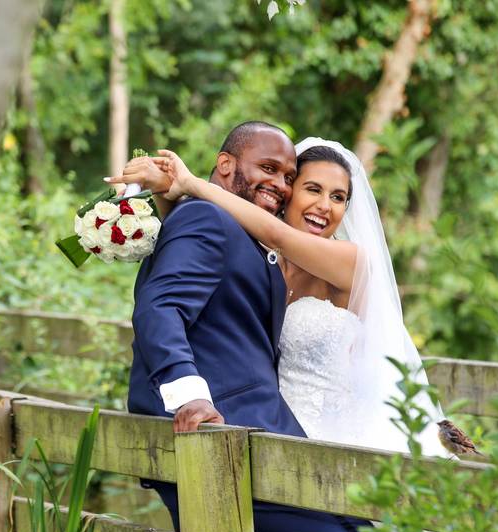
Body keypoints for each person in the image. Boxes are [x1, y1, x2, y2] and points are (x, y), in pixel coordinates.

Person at [118, 122, 381, 532]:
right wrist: (189, 396)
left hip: (253, 430)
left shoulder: (258, 241)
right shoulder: (208, 219)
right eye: (271, 170)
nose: (281, 184)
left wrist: (178, 190)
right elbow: (161, 306)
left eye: (288, 175)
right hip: (220, 428)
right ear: (224, 165)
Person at [148, 138, 447, 457]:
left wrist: (191, 183)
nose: (325, 205)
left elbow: (278, 235)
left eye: (338, 197)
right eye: (313, 189)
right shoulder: (262, 256)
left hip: (335, 433)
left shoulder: (352, 261)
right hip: (265, 420)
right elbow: (200, 248)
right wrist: (166, 196)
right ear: (288, 193)